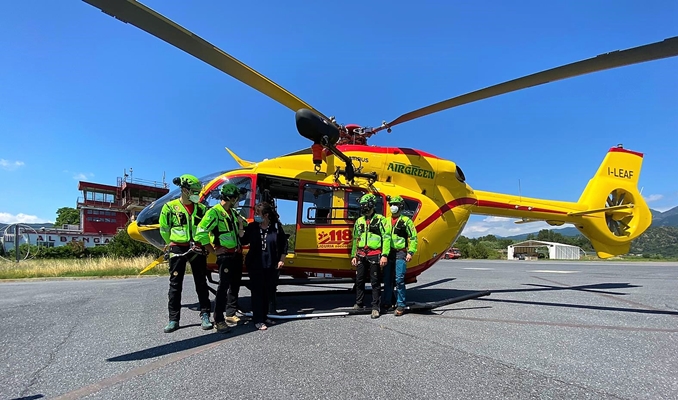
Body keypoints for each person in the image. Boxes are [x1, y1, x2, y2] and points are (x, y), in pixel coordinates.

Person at [158, 174, 213, 333]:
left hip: (197, 247)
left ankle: (205, 315)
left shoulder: (202, 209)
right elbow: (164, 228)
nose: (198, 194)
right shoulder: (169, 207)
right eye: (195, 191)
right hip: (178, 249)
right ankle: (173, 319)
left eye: (198, 190)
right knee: (175, 285)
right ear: (184, 189)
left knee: (201, 283)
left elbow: (207, 229)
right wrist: (170, 242)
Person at [194, 183, 244, 333]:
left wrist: (242, 224)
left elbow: (243, 226)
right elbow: (200, 233)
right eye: (236, 198)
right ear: (231, 198)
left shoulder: (233, 213)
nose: (237, 201)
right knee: (223, 287)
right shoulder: (214, 213)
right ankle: (219, 319)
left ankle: (230, 313)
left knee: (235, 285)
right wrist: (213, 250)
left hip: (236, 254)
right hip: (225, 256)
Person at [240, 203, 288, 330]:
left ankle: (265, 315)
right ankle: (258, 319)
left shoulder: (276, 228)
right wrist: (240, 226)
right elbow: (243, 240)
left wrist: (281, 260)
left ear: (266, 215)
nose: (255, 216)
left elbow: (284, 244)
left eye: (257, 214)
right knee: (257, 292)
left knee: (268, 292)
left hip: (271, 264)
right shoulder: (252, 227)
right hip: (255, 264)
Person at [350, 193, 391, 319]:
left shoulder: (381, 220)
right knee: (359, 280)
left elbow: (386, 238)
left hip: (375, 254)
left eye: (366, 205)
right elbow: (355, 239)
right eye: (362, 205)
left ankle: (375, 307)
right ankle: (359, 303)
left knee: (375, 282)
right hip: (361, 254)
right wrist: (354, 255)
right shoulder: (359, 221)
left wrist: (384, 255)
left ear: (372, 205)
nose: (364, 208)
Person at [381, 195, 418, 316]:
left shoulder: (406, 221)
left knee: (399, 280)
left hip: (401, 252)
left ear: (400, 206)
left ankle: (401, 304)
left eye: (395, 205)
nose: (393, 207)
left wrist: (411, 252)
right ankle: (386, 301)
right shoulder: (386, 221)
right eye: (391, 204)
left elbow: (413, 237)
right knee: (387, 279)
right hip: (388, 253)